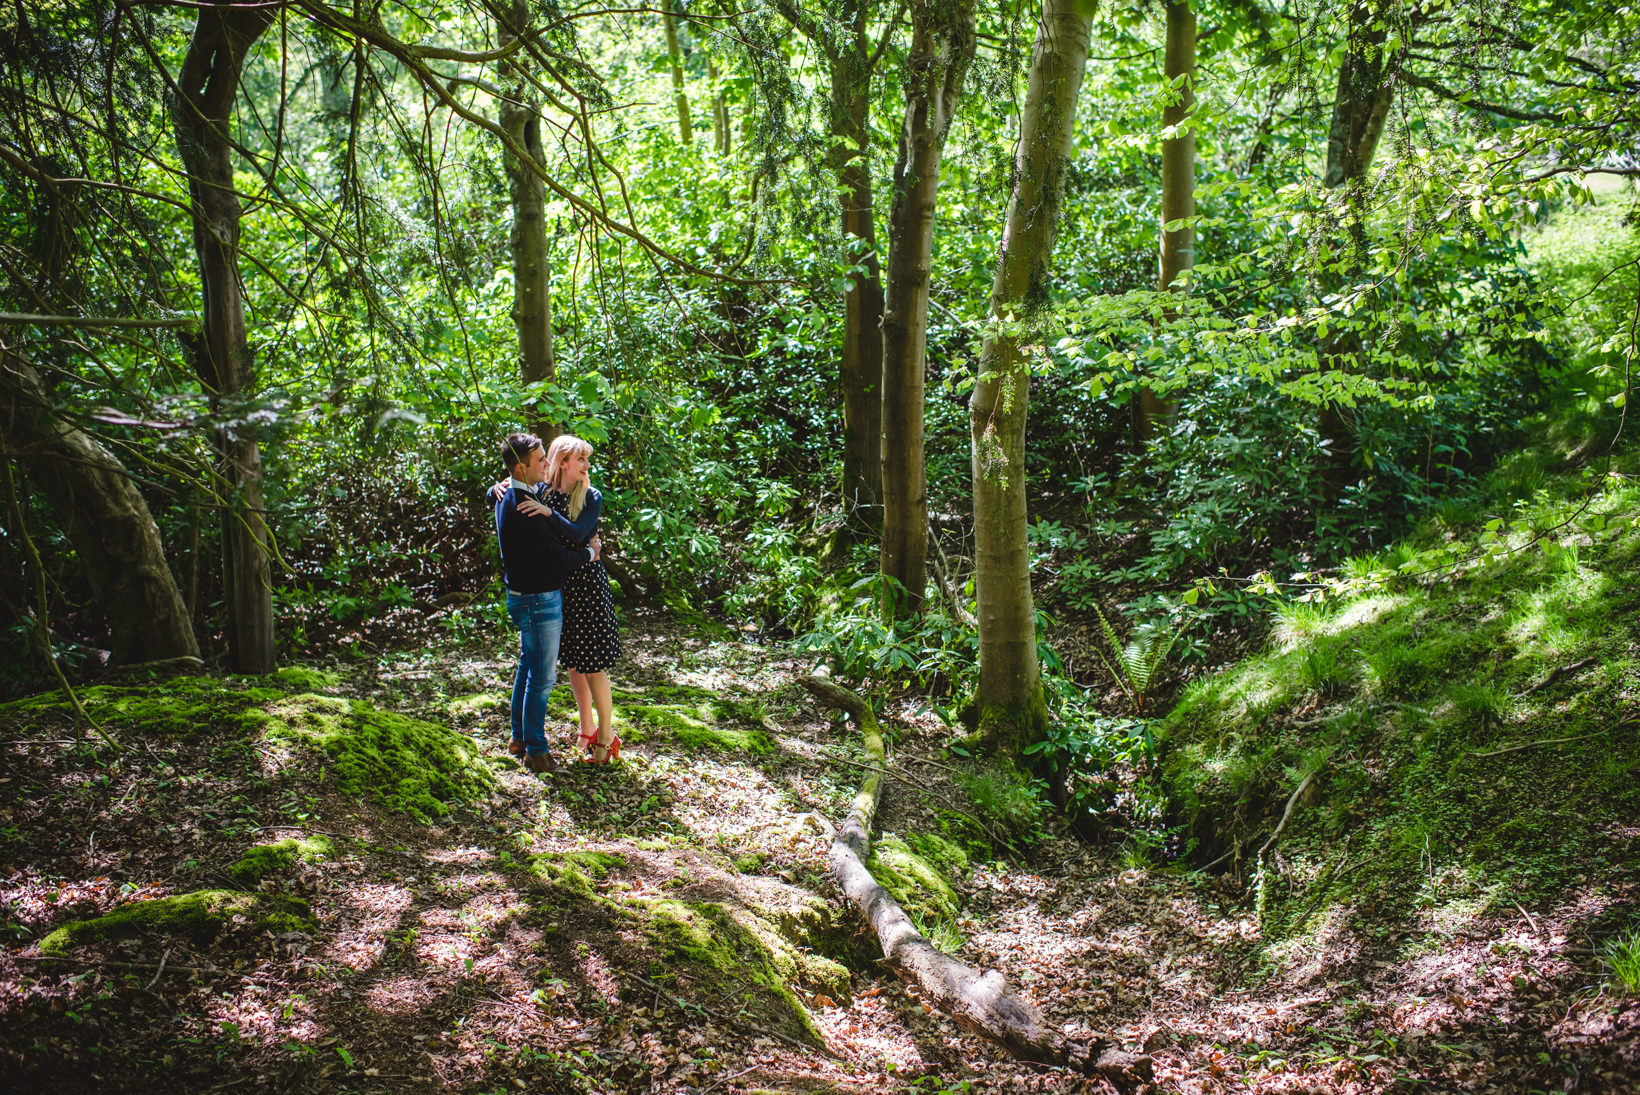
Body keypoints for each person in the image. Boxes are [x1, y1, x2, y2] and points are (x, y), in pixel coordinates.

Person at [494, 432, 600, 774]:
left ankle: (519, 738)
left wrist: (494, 486)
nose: (546, 464)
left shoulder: (510, 493)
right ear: (522, 467)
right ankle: (537, 753)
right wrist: (589, 553)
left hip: (522, 597)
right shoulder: (526, 508)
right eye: (540, 460)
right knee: (541, 678)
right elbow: (555, 558)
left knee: (528, 666)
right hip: (539, 600)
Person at [530, 434, 623, 764]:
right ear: (563, 462)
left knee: (593, 666)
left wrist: (547, 515)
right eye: (580, 459)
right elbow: (508, 493)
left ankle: (607, 738)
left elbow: (577, 534)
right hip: (560, 586)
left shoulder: (591, 496)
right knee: (573, 664)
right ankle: (587, 729)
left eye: (587, 459)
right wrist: (495, 489)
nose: (586, 465)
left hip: (588, 587)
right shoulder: (543, 491)